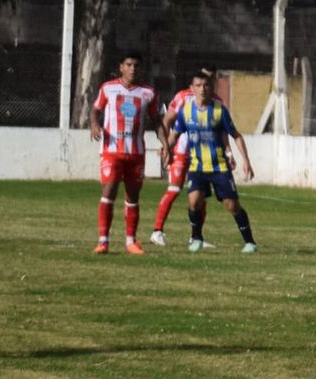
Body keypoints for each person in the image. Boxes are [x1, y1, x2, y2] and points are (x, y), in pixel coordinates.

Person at [167, 71, 257, 253]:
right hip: (196, 166)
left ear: (211, 87)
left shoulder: (219, 110)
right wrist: (166, 148)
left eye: (206, 85)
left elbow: (236, 135)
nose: (202, 89)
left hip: (219, 166)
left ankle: (250, 242)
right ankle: (197, 238)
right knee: (194, 201)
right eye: (198, 85)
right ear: (191, 88)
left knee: (232, 205)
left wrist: (245, 160)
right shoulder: (185, 111)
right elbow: (175, 134)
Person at [89, 52, 165, 255]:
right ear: (121, 67)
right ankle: (103, 241)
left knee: (133, 195)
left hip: (136, 153)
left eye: (137, 65)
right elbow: (96, 109)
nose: (133, 69)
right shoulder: (108, 88)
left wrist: (165, 143)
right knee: (109, 190)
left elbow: (156, 120)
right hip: (111, 151)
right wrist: (95, 124)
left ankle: (130, 241)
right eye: (129, 64)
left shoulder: (148, 92)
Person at [151, 66, 218, 246]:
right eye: (202, 80)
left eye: (209, 80)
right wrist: (166, 145)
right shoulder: (182, 97)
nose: (205, 85)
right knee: (174, 189)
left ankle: (196, 237)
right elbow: (167, 120)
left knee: (201, 196)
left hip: (202, 155)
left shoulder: (216, 100)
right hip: (181, 151)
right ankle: (157, 231)